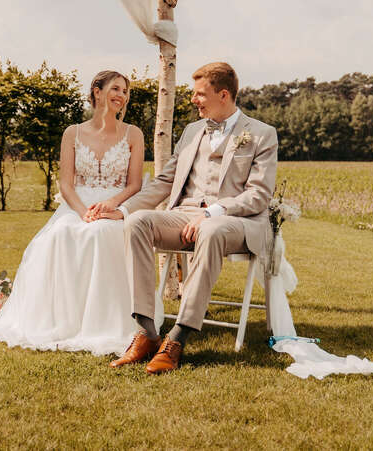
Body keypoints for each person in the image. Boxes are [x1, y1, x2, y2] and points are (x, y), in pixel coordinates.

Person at [94, 62, 278, 374]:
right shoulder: (193, 132)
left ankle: (178, 337)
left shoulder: (261, 134)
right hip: (184, 215)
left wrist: (212, 213)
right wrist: (123, 209)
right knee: (137, 223)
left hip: (238, 221)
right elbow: (165, 181)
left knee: (211, 230)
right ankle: (147, 332)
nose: (193, 99)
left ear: (223, 95)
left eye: (199, 94)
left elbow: (258, 195)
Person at [0, 70, 145, 355]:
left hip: (115, 205)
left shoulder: (133, 134)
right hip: (77, 204)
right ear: (96, 91)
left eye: (125, 91)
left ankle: (105, 322)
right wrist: (83, 212)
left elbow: (135, 184)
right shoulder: (73, 133)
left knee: (104, 233)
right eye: (115, 89)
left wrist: (111, 206)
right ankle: (62, 320)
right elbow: (66, 184)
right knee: (60, 234)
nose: (121, 96)